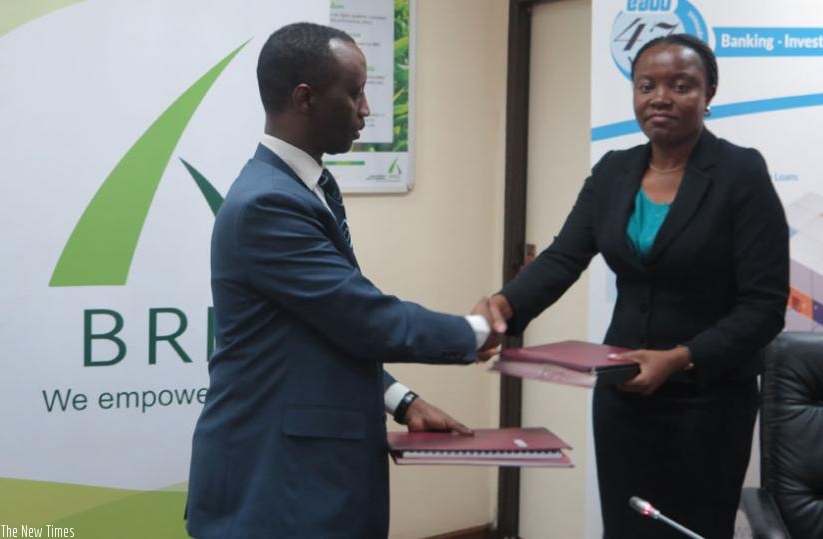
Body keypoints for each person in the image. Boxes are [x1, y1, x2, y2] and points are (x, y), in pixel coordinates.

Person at [185, 22, 503, 538]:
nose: (366, 110)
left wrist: (401, 400)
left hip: (304, 478)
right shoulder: (268, 204)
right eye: (354, 93)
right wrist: (476, 331)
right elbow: (363, 317)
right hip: (277, 487)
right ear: (305, 98)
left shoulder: (305, 187)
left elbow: (322, 328)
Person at [488, 34, 788, 538]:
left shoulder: (740, 172)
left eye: (680, 85)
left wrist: (681, 357)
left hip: (708, 400)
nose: (660, 97)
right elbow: (562, 258)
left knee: (692, 528)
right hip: (622, 396)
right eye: (646, 86)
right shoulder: (613, 171)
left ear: (709, 94)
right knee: (626, 528)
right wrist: (503, 306)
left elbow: (765, 306)